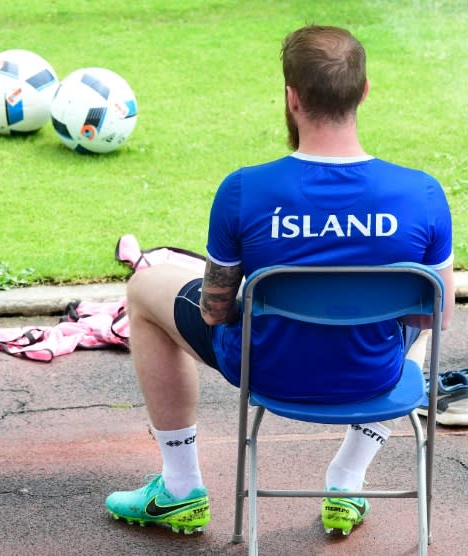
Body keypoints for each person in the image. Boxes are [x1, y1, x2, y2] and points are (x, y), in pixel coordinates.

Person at [105, 24, 455, 537]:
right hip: (372, 378)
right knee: (422, 328)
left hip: (264, 372)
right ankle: (347, 480)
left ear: (291, 97)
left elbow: (214, 313)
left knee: (143, 286)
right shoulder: (422, 194)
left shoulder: (243, 190)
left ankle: (180, 488)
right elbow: (435, 316)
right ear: (363, 91)